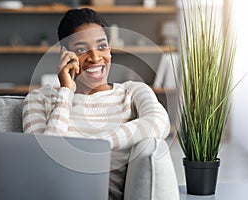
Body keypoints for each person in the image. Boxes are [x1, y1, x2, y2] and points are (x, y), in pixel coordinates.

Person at [23, 8, 170, 200]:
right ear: (65, 55)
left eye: (102, 46)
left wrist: (95, 146)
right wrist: (66, 92)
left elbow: (159, 122)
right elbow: (43, 162)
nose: (95, 57)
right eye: (82, 49)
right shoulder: (38, 99)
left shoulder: (133, 91)